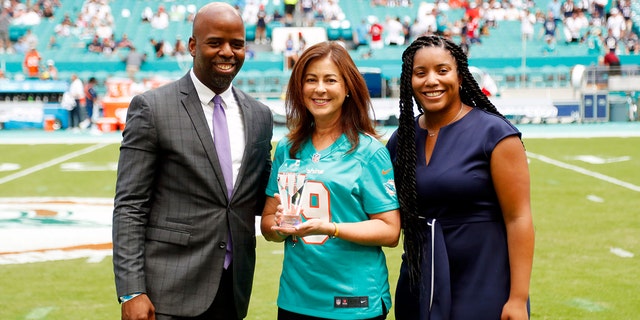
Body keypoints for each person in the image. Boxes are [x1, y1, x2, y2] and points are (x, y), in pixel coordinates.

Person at [112, 3, 273, 320]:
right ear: (192, 45)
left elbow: (257, 195)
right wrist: (132, 290)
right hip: (167, 291)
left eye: (237, 44)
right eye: (215, 42)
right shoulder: (152, 107)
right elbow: (130, 204)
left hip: (234, 289)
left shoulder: (260, 115)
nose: (227, 52)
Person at [386, 35, 535, 320]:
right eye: (421, 73)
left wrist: (517, 298)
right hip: (420, 283)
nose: (431, 81)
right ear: (409, 81)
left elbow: (519, 218)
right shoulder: (401, 140)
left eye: (442, 71)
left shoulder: (495, 134)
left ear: (461, 77)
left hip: (483, 282)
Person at [260, 41, 401, 320]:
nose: (319, 89)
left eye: (330, 80)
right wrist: (279, 226)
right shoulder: (288, 147)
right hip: (296, 299)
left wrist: (331, 228)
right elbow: (267, 225)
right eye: (310, 80)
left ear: (348, 87)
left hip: (353, 301)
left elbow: (390, 231)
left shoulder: (369, 151)